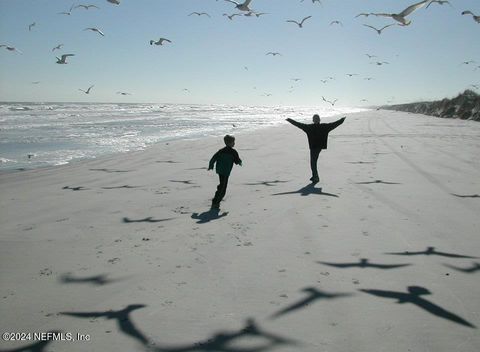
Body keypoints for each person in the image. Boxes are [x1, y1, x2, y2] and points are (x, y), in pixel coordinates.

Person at [286, 114, 345, 183]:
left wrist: (289, 120)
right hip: (318, 147)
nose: (316, 120)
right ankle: (315, 176)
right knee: (313, 162)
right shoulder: (323, 126)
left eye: (316, 119)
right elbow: (334, 124)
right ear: (317, 120)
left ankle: (315, 177)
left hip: (314, 148)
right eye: (316, 119)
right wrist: (341, 120)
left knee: (313, 162)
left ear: (314, 120)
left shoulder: (310, 127)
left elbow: (299, 124)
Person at [208, 135, 242, 209]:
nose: (234, 143)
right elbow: (237, 160)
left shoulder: (221, 150)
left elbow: (213, 158)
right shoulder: (233, 152)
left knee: (222, 185)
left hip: (220, 170)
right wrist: (239, 162)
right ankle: (215, 202)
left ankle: (216, 200)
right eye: (233, 142)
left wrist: (211, 165)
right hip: (225, 171)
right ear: (229, 143)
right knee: (223, 187)